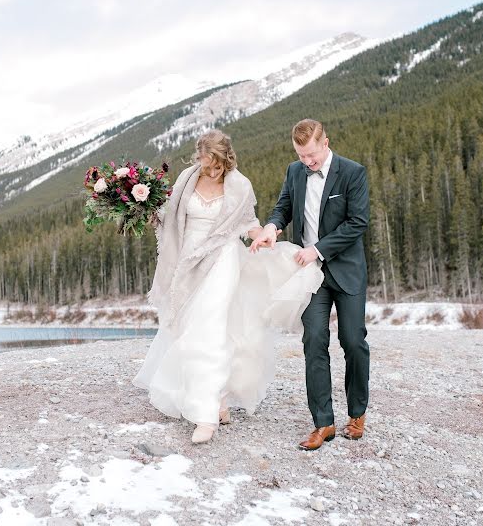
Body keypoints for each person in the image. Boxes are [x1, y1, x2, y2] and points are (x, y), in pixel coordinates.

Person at [134, 129, 323, 444]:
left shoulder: (240, 185)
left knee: (207, 331)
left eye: (218, 166)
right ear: (199, 158)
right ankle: (219, 400)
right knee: (187, 327)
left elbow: (247, 222)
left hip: (222, 260)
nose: (213, 171)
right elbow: (171, 219)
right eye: (207, 165)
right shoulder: (185, 181)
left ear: (226, 159)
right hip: (186, 262)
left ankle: (205, 415)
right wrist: (149, 214)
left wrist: (261, 235)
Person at [250, 119, 370, 451]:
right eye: (302, 156)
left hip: (346, 271)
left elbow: (357, 222)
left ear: (326, 142)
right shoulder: (294, 171)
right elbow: (283, 208)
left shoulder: (352, 172)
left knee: (353, 341)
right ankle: (323, 423)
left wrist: (317, 249)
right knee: (314, 341)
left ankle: (357, 413)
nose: (308, 162)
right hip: (309, 276)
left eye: (312, 155)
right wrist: (272, 227)